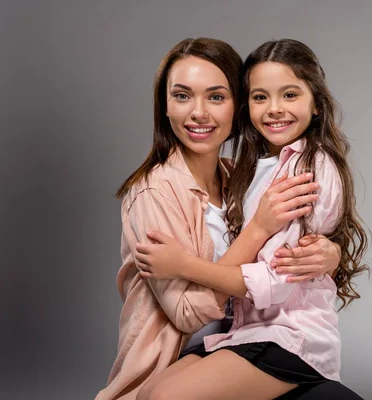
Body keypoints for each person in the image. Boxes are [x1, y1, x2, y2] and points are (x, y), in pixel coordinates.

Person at [96, 37, 342, 400]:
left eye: (216, 96)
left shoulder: (242, 179)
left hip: (257, 344)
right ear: (164, 106)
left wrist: (330, 253)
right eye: (182, 96)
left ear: (235, 107)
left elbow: (289, 265)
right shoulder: (155, 193)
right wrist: (257, 229)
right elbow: (185, 314)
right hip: (191, 353)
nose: (199, 113)